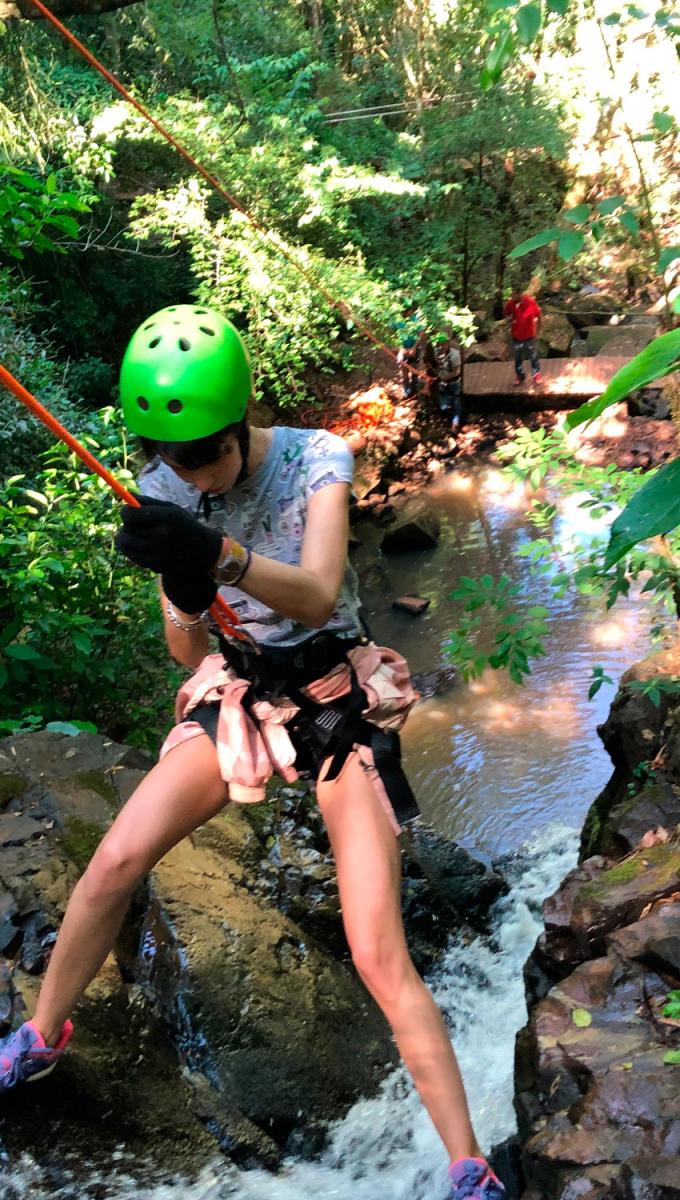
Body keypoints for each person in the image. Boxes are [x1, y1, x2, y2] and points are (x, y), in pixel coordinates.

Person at [0, 305, 506, 1200]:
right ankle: (42, 1036)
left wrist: (217, 553)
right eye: (174, 459)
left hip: (332, 701)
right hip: (244, 692)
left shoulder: (317, 460)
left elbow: (317, 594)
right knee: (114, 858)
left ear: (242, 420)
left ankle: (468, 1164)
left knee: (376, 948)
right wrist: (185, 589)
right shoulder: (162, 481)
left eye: (205, 456)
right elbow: (186, 652)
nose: (191, 474)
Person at [503, 286, 543, 386]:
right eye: (511, 294)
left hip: (530, 334)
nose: (511, 296)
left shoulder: (530, 302)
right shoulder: (511, 303)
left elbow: (539, 314)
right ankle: (520, 376)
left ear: (519, 294)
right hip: (517, 335)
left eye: (513, 294)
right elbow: (506, 313)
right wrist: (508, 320)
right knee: (517, 357)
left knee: (533, 356)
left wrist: (539, 328)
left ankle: (536, 374)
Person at [433, 331, 464, 431]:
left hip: (454, 382)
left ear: (448, 343)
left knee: (456, 403)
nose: (441, 346)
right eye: (439, 344)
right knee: (444, 406)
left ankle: (456, 422)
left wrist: (443, 378)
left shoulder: (455, 355)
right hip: (442, 384)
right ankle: (448, 419)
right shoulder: (436, 353)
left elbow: (456, 372)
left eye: (443, 344)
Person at [397, 334, 419, 399]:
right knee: (405, 374)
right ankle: (406, 392)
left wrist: (414, 348)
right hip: (403, 349)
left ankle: (414, 392)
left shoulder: (414, 327)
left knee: (414, 372)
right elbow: (396, 338)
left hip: (414, 348)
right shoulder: (398, 326)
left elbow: (420, 334)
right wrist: (401, 351)